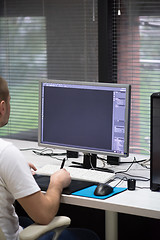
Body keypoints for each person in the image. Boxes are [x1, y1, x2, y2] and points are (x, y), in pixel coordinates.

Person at [0, 77, 100, 240]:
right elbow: (44, 215)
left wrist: (14, 170)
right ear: (2, 107)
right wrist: (56, 183)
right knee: (89, 236)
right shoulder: (6, 154)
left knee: (23, 218)